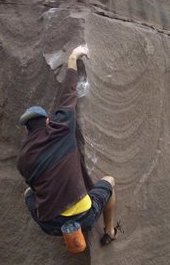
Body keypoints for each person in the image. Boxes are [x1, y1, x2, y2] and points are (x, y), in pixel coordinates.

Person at [17, 45, 118, 246]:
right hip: (84, 216)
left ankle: (68, 233)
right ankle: (110, 231)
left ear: (27, 130)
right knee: (109, 181)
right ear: (47, 121)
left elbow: (35, 189)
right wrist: (73, 57)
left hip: (49, 225)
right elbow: (68, 94)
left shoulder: (22, 159)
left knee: (28, 192)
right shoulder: (61, 128)